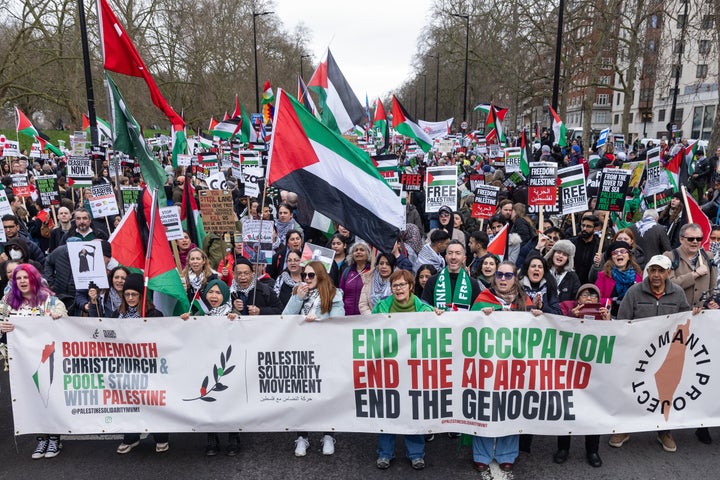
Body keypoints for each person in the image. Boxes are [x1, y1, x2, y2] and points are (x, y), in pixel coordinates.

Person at [611, 255, 694, 453]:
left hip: (667, 354)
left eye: (660, 271)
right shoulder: (634, 292)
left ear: (668, 273)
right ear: (647, 271)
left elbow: (686, 318)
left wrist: (696, 314)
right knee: (633, 390)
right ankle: (625, 428)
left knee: (666, 392)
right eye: (652, 270)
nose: (656, 275)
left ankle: (664, 431)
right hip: (638, 353)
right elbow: (623, 321)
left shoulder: (678, 293)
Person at [469, 262, 539, 472]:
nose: (503, 279)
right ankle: (481, 454)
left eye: (508, 275)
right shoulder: (482, 300)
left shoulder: (524, 301)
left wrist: (537, 316)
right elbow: (468, 327)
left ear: (515, 278)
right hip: (487, 364)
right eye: (499, 274)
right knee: (484, 406)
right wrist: (480, 317)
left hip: (514, 365)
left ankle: (507, 453)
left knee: (511, 406)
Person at [0, 264, 67, 459]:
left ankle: (55, 437)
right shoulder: (7, 302)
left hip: (46, 359)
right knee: (29, 399)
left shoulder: (49, 301)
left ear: (34, 279)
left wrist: (58, 316)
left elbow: (66, 320)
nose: (21, 281)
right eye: (18, 278)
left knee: (47, 396)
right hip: (20, 363)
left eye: (25, 277)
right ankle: (41, 438)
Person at [372, 269, 433, 470]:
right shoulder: (381, 307)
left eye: (402, 285)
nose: (398, 289)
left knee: (413, 410)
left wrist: (439, 315)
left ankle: (416, 453)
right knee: (388, 409)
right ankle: (385, 453)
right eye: (394, 285)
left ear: (411, 287)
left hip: (415, 369)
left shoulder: (424, 309)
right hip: (388, 369)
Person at [282, 261, 344, 456]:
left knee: (326, 395)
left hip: (325, 351)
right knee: (303, 395)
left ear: (320, 276)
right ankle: (302, 437)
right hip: (301, 351)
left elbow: (338, 320)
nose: (306, 279)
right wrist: (297, 299)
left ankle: (328, 435)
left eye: (311, 275)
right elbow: (284, 318)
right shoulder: (298, 292)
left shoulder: (334, 294)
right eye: (304, 275)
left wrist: (317, 321)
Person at [112, 273, 168, 454]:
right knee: (129, 402)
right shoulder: (117, 315)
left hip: (149, 367)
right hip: (126, 368)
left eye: (134, 295)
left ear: (141, 296)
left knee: (152, 401)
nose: (130, 298)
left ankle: (160, 437)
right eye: (127, 294)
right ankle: (131, 437)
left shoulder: (154, 314)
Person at [554, 283, 609, 467]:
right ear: (577, 299)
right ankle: (563, 448)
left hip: (595, 374)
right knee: (566, 409)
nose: (589, 299)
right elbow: (556, 332)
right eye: (585, 295)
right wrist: (570, 318)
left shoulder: (604, 316)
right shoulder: (568, 314)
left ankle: (592, 450)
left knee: (594, 411)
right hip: (570, 371)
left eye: (593, 296)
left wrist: (609, 323)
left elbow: (617, 339)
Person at [664, 223, 717, 309]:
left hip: (702, 313)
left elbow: (713, 287)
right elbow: (669, 285)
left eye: (699, 239)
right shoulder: (669, 256)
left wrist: (712, 302)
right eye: (690, 239)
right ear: (681, 239)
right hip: (678, 313)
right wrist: (695, 274)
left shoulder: (708, 256)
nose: (695, 242)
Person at [421, 240, 482, 311]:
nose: (453, 257)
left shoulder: (473, 284)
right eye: (450, 253)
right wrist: (431, 309)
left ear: (464, 259)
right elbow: (424, 308)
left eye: (457, 253)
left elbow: (478, 310)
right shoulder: (432, 281)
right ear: (446, 258)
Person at [593, 241, 643, 317]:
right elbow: (596, 299)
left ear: (629, 256)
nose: (619, 254)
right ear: (611, 258)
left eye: (623, 251)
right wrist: (613, 301)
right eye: (615, 253)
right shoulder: (603, 275)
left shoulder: (638, 275)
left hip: (632, 317)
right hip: (610, 317)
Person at [339, 242, 372, 315]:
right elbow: (341, 293)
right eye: (356, 250)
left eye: (362, 250)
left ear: (368, 254)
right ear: (352, 255)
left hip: (366, 316)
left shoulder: (372, 271)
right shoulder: (347, 272)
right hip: (347, 316)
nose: (358, 252)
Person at [572, 215, 601, 284]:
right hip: (574, 282)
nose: (584, 228)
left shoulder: (600, 246)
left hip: (590, 283)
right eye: (583, 225)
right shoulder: (572, 243)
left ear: (595, 229)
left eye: (588, 226)